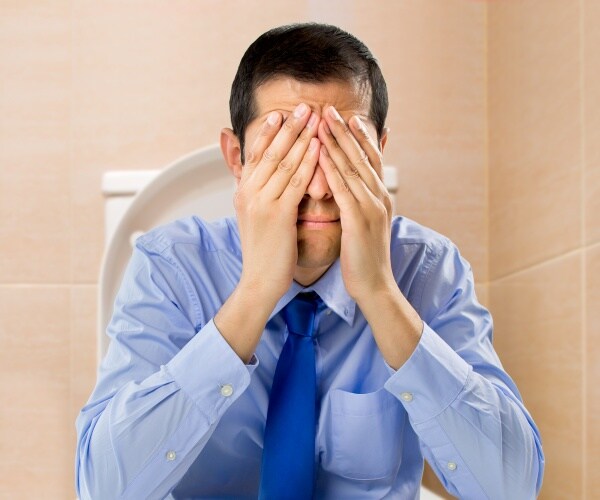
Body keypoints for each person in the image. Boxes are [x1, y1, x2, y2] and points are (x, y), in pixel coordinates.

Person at [75, 23, 544, 499]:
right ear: (238, 157)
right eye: (289, 150)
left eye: (343, 150)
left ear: (378, 154)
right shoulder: (170, 267)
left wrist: (381, 295)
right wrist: (255, 292)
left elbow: (511, 489)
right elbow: (104, 488)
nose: (319, 189)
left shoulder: (429, 269)